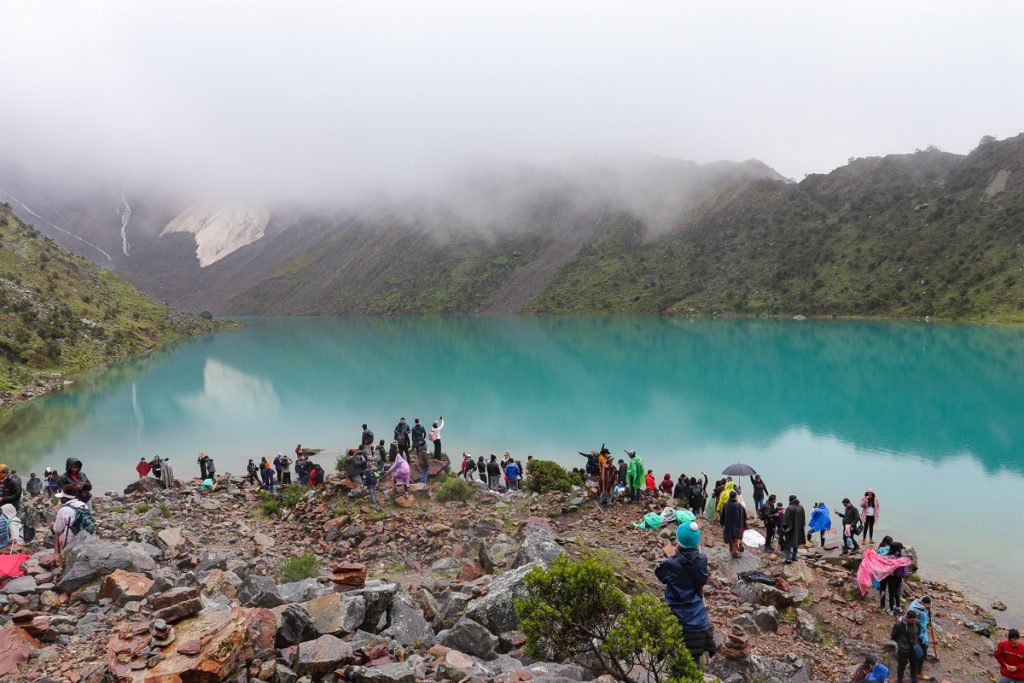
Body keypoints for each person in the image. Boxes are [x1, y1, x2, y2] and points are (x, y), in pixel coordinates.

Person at [655, 520, 717, 669]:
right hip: (697, 621)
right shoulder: (702, 560)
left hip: (675, 618)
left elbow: (659, 573)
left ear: (679, 542)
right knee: (693, 666)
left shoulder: (671, 564)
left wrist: (675, 556)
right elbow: (701, 578)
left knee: (674, 665)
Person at [53, 485, 88, 554]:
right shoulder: (84, 505)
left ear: (66, 498)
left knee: (55, 530)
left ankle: (57, 552)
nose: (60, 499)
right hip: (84, 536)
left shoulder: (63, 510)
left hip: (69, 540)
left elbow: (58, 529)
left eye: (62, 497)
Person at [891, 609, 923, 682]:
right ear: (907, 618)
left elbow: (918, 632)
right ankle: (900, 680)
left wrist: (915, 641)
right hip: (903, 650)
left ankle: (914, 680)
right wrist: (901, 643)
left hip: (914, 648)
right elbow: (894, 636)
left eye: (915, 620)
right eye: (912, 620)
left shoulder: (917, 623)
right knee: (901, 666)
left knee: (914, 665)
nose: (914, 622)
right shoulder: (899, 625)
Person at [906, 596, 934, 677]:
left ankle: (911, 663)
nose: (929, 606)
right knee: (922, 653)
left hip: (916, 632)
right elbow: (918, 624)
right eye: (928, 605)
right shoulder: (918, 610)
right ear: (925, 603)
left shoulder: (915, 603)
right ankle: (918, 672)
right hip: (918, 635)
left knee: (914, 650)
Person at [782, 495, 807, 564]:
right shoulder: (801, 507)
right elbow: (803, 519)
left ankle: (788, 558)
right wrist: (802, 527)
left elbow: (785, 520)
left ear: (790, 500)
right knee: (796, 542)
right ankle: (794, 557)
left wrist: (783, 529)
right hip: (798, 528)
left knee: (788, 543)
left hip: (790, 529)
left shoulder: (789, 508)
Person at [722, 489, 747, 558]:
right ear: (735, 496)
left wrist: (722, 523)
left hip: (728, 524)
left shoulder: (726, 504)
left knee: (730, 537)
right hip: (736, 524)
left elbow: (723, 515)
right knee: (736, 538)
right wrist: (743, 523)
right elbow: (743, 515)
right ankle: (735, 552)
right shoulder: (739, 505)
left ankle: (731, 550)